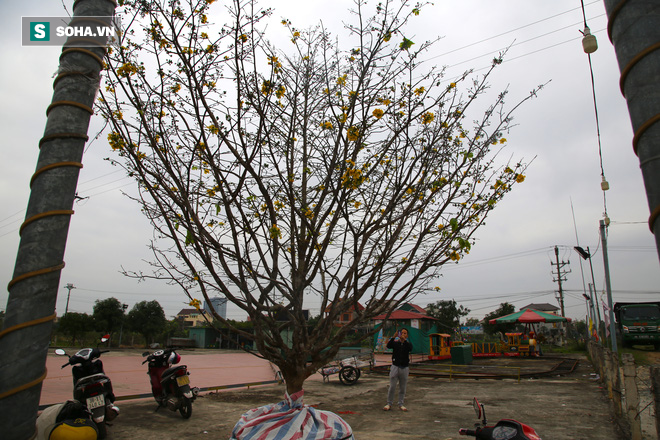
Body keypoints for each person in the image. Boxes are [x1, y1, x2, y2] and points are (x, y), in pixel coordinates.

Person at [383, 327, 413, 412]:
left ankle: (401, 403)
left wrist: (405, 341)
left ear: (407, 335)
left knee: (402, 387)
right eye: (401, 333)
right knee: (392, 386)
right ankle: (389, 403)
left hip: (404, 367)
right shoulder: (396, 343)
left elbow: (410, 348)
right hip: (395, 366)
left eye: (405, 333)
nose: (403, 335)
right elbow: (388, 346)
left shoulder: (408, 344)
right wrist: (393, 337)